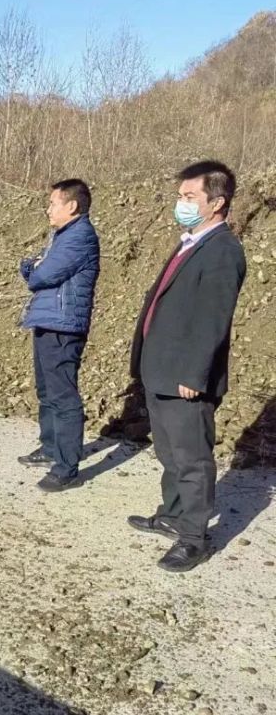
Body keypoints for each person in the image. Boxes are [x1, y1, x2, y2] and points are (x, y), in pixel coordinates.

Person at [127, 161, 246, 573]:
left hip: (185, 378)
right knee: (169, 452)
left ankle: (194, 538)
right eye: (180, 196)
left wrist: (195, 374)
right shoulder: (190, 243)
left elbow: (213, 319)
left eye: (190, 197)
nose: (181, 203)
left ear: (217, 202)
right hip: (161, 370)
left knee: (192, 458)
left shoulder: (223, 250)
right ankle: (172, 515)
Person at [18, 179, 100, 492]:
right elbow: (33, 268)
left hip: (63, 326)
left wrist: (35, 268)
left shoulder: (79, 236)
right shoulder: (62, 235)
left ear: (72, 206)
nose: (48, 209)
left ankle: (67, 467)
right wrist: (33, 267)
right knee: (47, 390)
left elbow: (42, 275)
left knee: (63, 396)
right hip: (49, 321)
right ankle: (51, 447)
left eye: (53, 203)